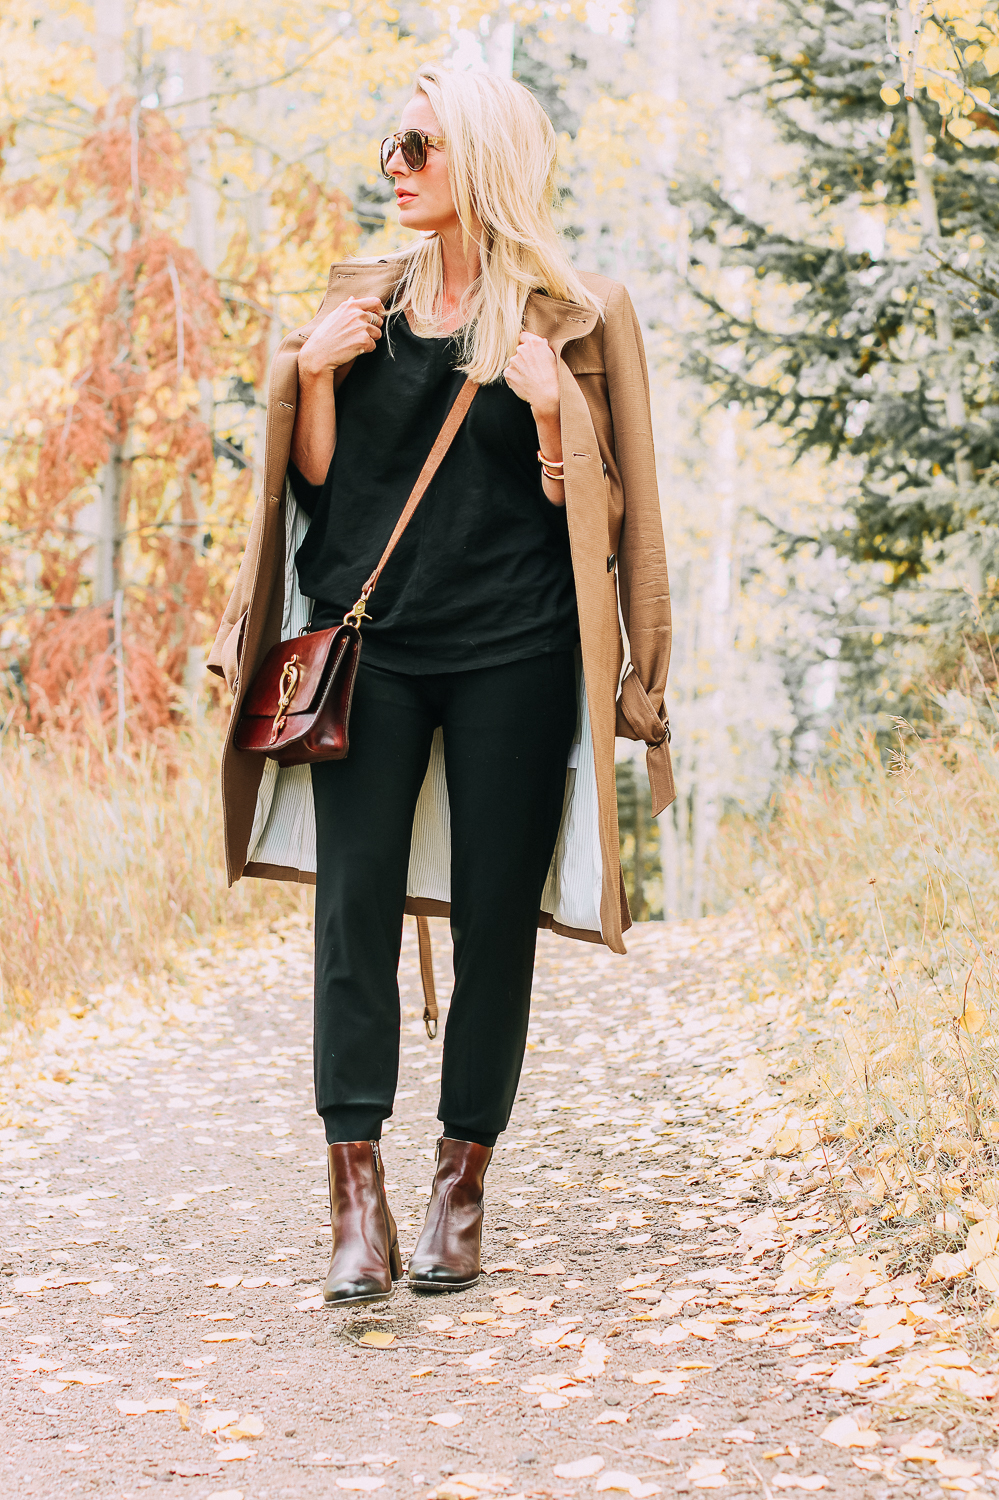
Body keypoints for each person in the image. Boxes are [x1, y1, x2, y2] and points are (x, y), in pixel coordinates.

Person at [207, 65, 674, 1307]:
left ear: (483, 157)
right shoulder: (362, 303)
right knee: (349, 914)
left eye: (417, 142)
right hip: (377, 651)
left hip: (515, 657)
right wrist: (307, 374)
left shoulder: (572, 316)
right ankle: (351, 1194)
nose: (394, 162)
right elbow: (320, 484)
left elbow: (613, 517)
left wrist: (551, 408)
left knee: (492, 927)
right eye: (387, 144)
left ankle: (460, 1182)